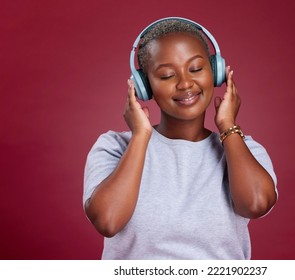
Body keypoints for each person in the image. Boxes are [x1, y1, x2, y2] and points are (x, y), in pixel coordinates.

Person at [83, 17, 277, 260]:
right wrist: (141, 137)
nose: (185, 83)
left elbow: (256, 204)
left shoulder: (243, 148)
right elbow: (108, 220)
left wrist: (228, 126)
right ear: (145, 87)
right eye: (166, 75)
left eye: (196, 69)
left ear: (215, 71)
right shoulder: (114, 147)